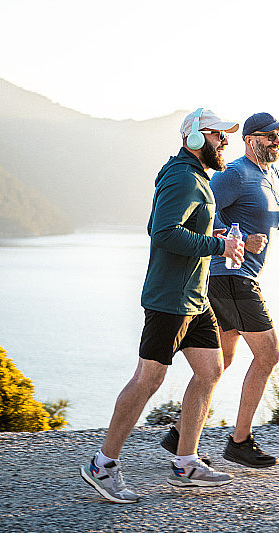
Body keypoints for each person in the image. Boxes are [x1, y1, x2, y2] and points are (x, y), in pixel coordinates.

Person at [80, 108, 245, 503]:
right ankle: (101, 465)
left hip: (195, 298)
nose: (225, 142)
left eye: (225, 136)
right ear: (194, 138)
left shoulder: (197, 178)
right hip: (169, 300)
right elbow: (163, 232)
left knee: (210, 370)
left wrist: (212, 232)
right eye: (218, 135)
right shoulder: (182, 177)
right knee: (148, 380)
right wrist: (219, 245)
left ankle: (185, 462)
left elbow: (182, 227)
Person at [160, 112, 279, 468]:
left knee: (222, 360)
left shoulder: (272, 176)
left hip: (238, 277)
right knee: (269, 355)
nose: (276, 141)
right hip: (229, 275)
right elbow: (204, 214)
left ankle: (179, 434)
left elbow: (267, 223)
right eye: (270, 136)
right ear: (250, 139)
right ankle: (239, 442)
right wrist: (239, 238)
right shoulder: (235, 174)